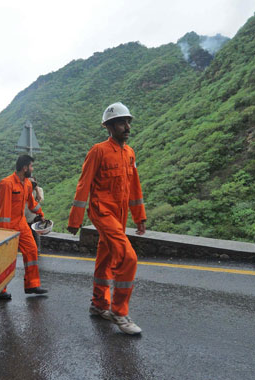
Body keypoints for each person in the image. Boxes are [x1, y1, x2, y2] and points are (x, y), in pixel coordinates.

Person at [67, 102, 147, 335]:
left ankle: (99, 304)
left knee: (105, 258)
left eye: (128, 122)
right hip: (102, 212)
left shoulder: (129, 153)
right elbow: (84, 185)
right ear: (110, 127)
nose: (127, 126)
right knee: (128, 257)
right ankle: (119, 312)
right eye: (122, 122)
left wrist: (139, 217)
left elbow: (135, 188)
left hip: (120, 216)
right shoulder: (98, 151)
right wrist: (75, 220)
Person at [0, 155, 48, 300]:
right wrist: (4, 233)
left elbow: (31, 203)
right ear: (25, 168)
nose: (32, 169)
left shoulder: (27, 184)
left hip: (21, 224)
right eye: (31, 166)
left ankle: (32, 284)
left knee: (31, 250)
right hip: (7, 227)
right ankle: (0, 290)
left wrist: (41, 214)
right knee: (6, 258)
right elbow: (3, 211)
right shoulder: (7, 184)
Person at [24, 177, 44, 245]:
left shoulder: (37, 190)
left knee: (35, 233)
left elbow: (39, 200)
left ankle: (37, 248)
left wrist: (37, 190)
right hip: (25, 215)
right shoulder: (24, 190)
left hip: (33, 215)